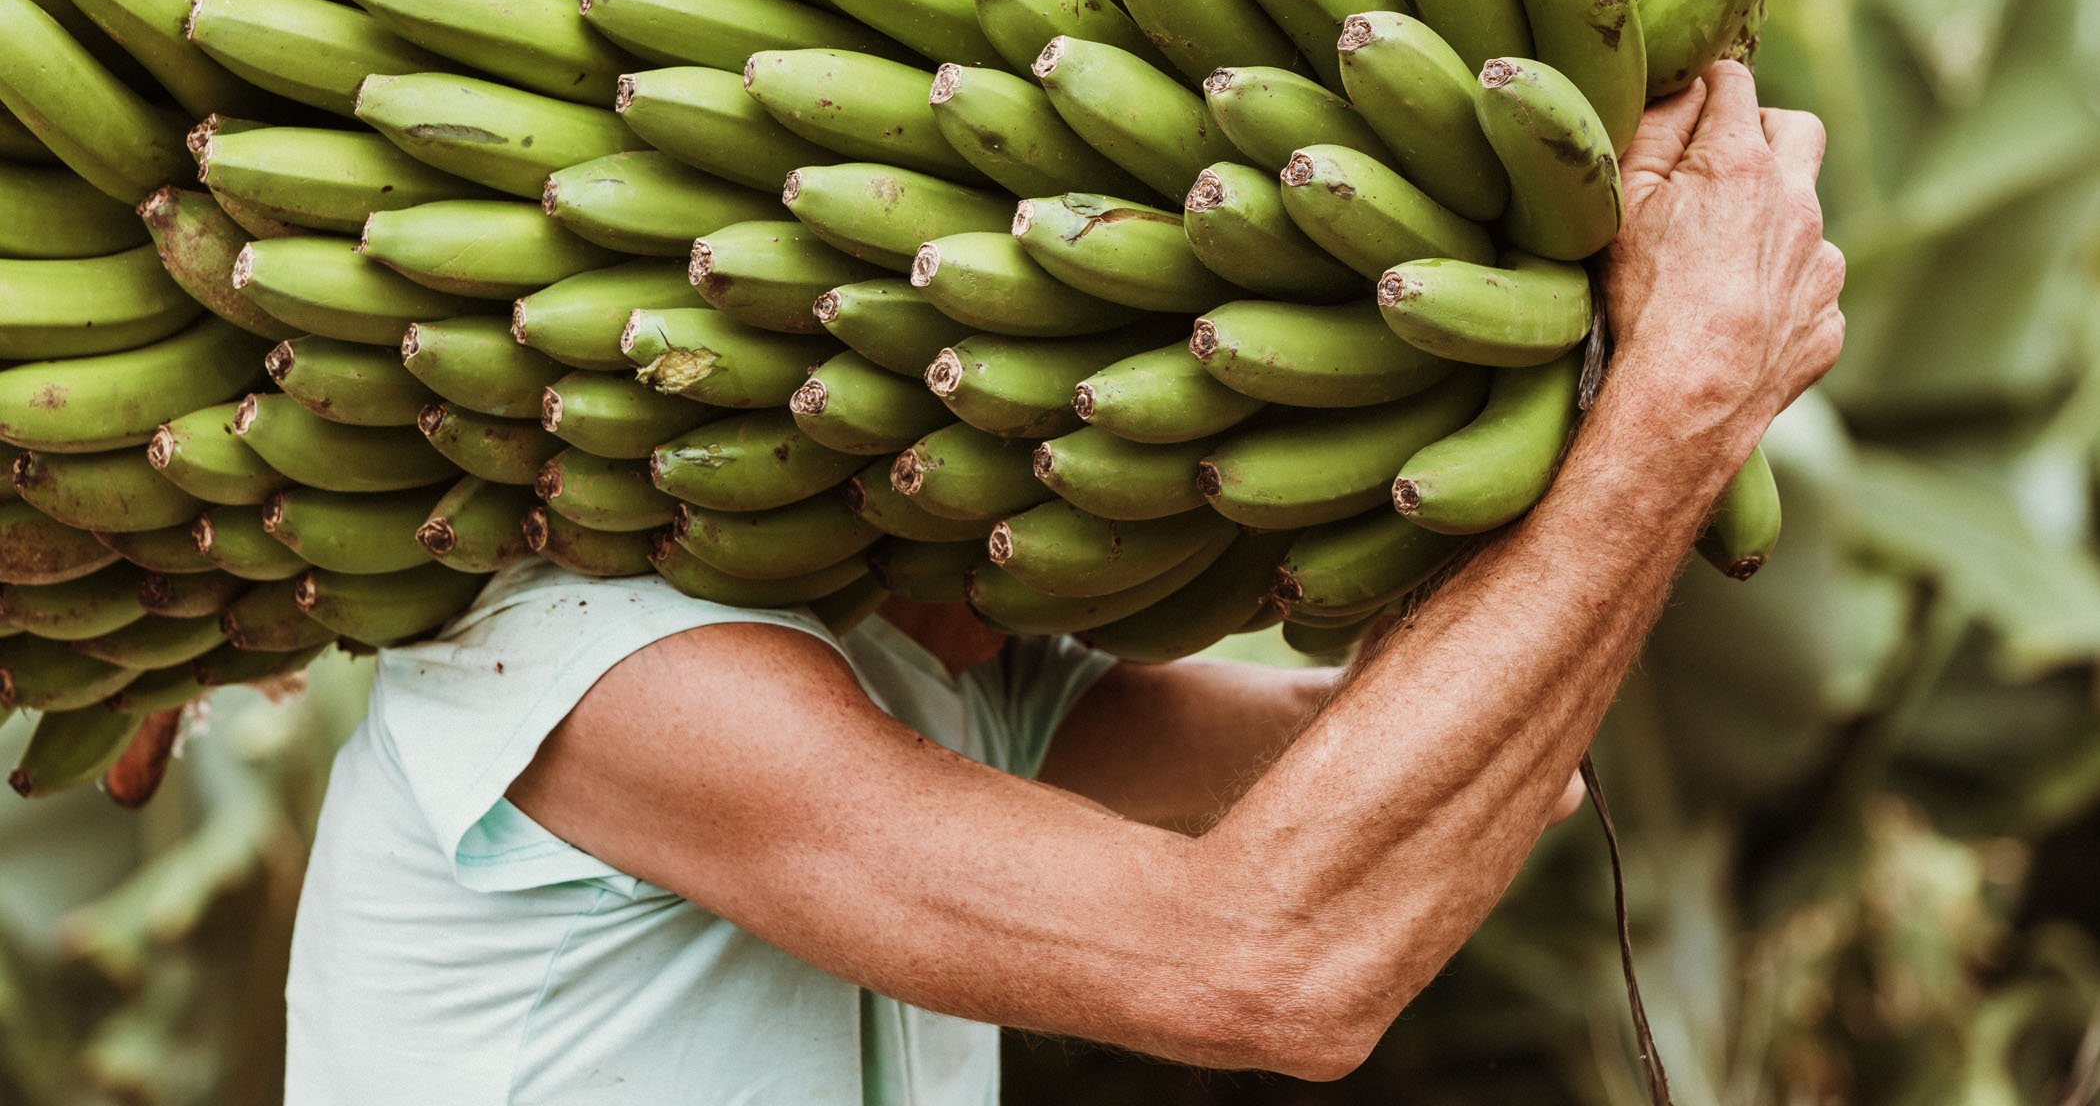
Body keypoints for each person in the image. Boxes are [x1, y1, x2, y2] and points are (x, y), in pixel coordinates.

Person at [284, 61, 1843, 1102]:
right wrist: (1683, 401)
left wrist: (1555, 386)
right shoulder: (614, 673)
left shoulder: (931, 672)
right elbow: (1269, 959)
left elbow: (1481, 775)